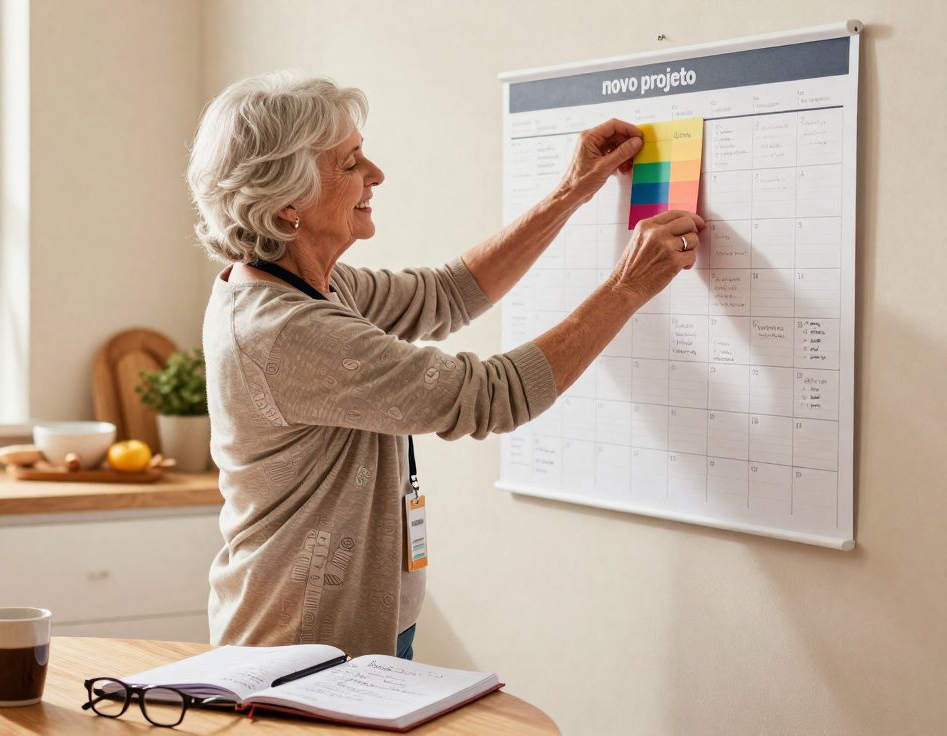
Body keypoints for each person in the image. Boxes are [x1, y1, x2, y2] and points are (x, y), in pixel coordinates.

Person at [191, 72, 704, 659]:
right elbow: (490, 395)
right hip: (298, 647)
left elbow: (448, 293)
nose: (376, 174)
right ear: (288, 207)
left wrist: (571, 191)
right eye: (351, 163)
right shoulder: (286, 330)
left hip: (356, 629)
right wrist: (625, 287)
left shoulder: (311, 287)